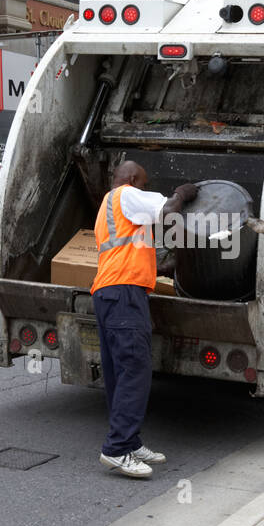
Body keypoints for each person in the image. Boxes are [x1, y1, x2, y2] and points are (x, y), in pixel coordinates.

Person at [92, 161, 198, 478]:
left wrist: (165, 268)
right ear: (134, 179)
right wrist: (184, 191)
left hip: (109, 293)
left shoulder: (109, 207)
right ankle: (117, 448)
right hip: (124, 295)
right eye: (144, 182)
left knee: (120, 372)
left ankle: (130, 441)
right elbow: (168, 210)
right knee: (135, 369)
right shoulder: (126, 194)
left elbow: (129, 252)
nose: (144, 187)